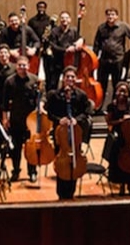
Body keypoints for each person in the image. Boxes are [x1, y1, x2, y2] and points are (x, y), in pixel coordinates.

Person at [45, 66, 91, 199]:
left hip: (76, 134)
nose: (70, 79)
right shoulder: (54, 95)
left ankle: (71, 191)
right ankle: (61, 193)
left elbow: (87, 112)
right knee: (61, 162)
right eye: (67, 77)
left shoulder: (81, 95)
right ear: (63, 79)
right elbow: (49, 113)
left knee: (75, 162)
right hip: (60, 135)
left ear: (75, 79)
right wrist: (59, 120)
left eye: (72, 77)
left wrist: (77, 120)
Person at [2, 55, 41, 183]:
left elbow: (41, 96)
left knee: (31, 148)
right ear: (16, 66)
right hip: (16, 119)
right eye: (20, 65)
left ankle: (32, 172)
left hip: (31, 121)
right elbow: (5, 102)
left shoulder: (35, 80)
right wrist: (5, 118)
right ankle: (16, 171)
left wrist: (41, 104)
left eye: (24, 65)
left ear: (28, 66)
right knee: (16, 148)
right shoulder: (9, 81)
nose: (22, 68)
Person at [93, 7, 130, 96]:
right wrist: (94, 58)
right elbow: (96, 44)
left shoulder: (123, 27)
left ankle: (114, 107)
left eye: (112, 14)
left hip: (117, 61)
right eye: (108, 14)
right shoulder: (101, 28)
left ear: (117, 16)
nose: (110, 16)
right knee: (101, 85)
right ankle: (98, 107)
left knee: (117, 85)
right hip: (104, 61)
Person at [105, 81, 130, 196]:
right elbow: (109, 122)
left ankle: (129, 184)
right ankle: (121, 185)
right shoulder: (112, 106)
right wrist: (121, 121)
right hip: (117, 135)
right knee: (119, 155)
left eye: (124, 91)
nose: (121, 93)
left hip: (129, 136)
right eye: (119, 91)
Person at [47, 11, 83, 93]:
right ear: (60, 20)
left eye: (66, 18)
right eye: (62, 18)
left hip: (70, 61)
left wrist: (81, 40)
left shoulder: (74, 31)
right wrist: (66, 50)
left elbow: (80, 39)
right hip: (57, 61)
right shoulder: (54, 31)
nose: (64, 20)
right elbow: (53, 46)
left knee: (70, 82)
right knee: (53, 83)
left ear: (70, 20)